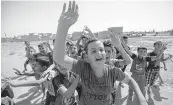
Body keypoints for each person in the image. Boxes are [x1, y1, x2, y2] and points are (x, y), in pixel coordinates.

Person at [53, 1, 148, 105]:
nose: (99, 53)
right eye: (93, 51)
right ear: (87, 57)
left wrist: (141, 98)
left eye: (101, 50)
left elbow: (130, 80)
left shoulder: (113, 71)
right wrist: (63, 26)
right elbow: (59, 57)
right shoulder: (82, 67)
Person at [6, 57, 79, 105]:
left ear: (44, 67)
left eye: (36, 65)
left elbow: (39, 82)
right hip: (51, 94)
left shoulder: (51, 73)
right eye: (33, 65)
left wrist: (15, 84)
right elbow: (33, 73)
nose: (33, 67)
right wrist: (22, 73)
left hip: (59, 96)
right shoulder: (44, 72)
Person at [103, 39, 131, 105]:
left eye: (108, 51)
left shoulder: (113, 62)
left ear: (112, 52)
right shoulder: (94, 63)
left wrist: (119, 46)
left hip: (111, 93)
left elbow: (128, 61)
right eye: (104, 51)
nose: (106, 54)